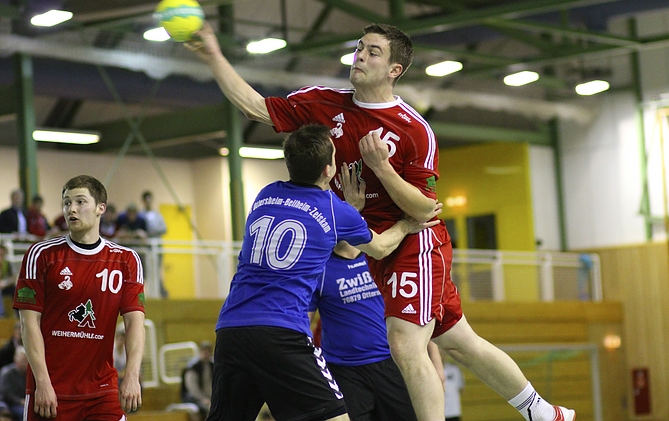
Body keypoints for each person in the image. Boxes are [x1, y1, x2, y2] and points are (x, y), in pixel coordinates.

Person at [189, 22, 575, 421]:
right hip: (377, 248)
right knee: (460, 343)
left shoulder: (413, 129)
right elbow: (256, 107)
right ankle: (544, 413)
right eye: (359, 47)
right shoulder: (323, 104)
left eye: (373, 52)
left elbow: (424, 210)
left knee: (404, 344)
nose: (359, 56)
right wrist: (214, 56)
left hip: (416, 243)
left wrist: (382, 168)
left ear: (395, 69)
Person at [207, 125, 439, 421]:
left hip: (231, 328)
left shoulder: (266, 195)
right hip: (282, 330)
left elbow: (306, 213)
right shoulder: (333, 209)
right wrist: (406, 224)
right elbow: (380, 248)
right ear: (329, 169)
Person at [308, 165, 441, 421]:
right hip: (344, 373)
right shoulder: (319, 268)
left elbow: (418, 314)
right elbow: (303, 326)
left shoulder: (384, 256)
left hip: (392, 364)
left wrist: (435, 364)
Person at [13, 174, 146, 420]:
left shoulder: (126, 260)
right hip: (51, 391)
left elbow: (135, 323)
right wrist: (42, 382)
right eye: (66, 202)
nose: (71, 209)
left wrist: (132, 375)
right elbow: (28, 324)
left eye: (80, 202)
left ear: (100, 208)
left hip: (102, 391)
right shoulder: (40, 255)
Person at [141, 191, 168, 298]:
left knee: (156, 269)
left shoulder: (157, 215)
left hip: (156, 246)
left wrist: (151, 232)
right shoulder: (141, 215)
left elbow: (164, 229)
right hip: (145, 247)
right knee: (145, 271)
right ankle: (146, 294)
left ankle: (161, 292)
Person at [181, 341, 214, 420]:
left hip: (209, 398)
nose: (206, 354)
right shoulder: (193, 368)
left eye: (208, 352)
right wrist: (202, 399)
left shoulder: (212, 366)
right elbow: (192, 388)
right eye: (204, 352)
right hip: (193, 399)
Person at [0, 345, 28, 420]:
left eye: (27, 360)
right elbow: (6, 394)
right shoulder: (7, 373)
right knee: (24, 413)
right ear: (16, 360)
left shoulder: (30, 374)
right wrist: (20, 401)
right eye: (23, 360)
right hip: (9, 404)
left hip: (25, 403)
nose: (25, 363)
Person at [443, 356, 464, 421]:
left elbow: (461, 389)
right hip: (437, 413)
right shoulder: (430, 371)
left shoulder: (454, 369)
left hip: (453, 412)